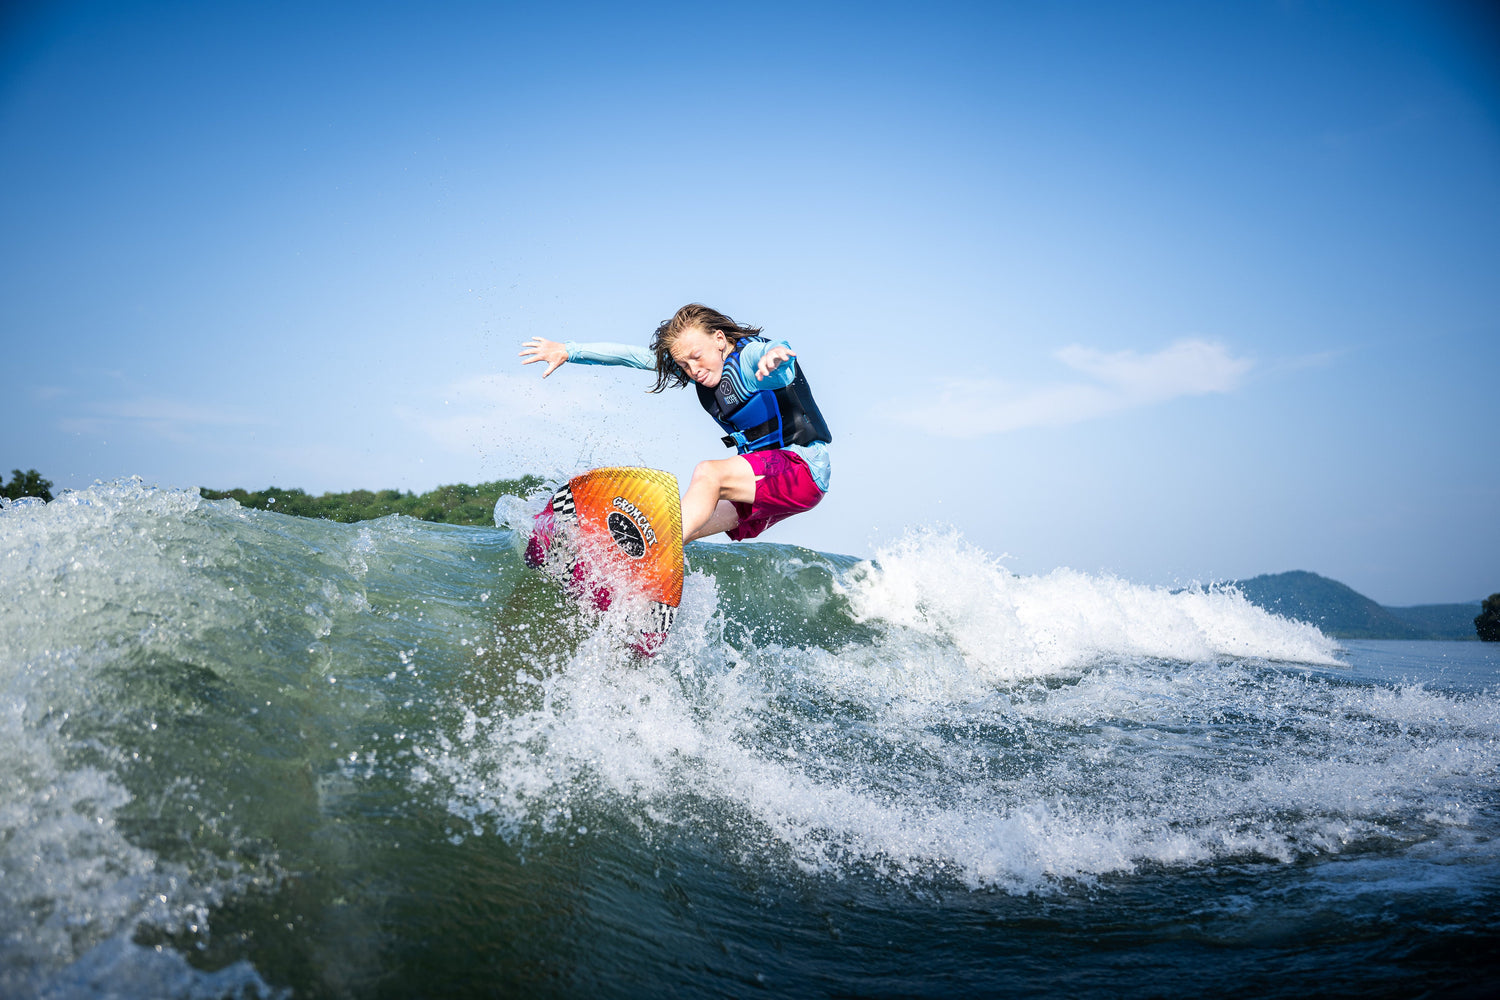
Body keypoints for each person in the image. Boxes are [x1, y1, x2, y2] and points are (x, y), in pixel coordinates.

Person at [519, 303, 831, 544]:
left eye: (696, 356)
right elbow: (632, 357)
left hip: (801, 470)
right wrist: (569, 351)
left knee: (708, 474)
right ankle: (635, 585)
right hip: (767, 480)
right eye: (683, 363)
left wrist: (775, 357)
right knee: (681, 524)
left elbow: (777, 358)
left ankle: (652, 548)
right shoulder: (697, 368)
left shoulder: (750, 360)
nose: (692, 369)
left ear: (719, 339)